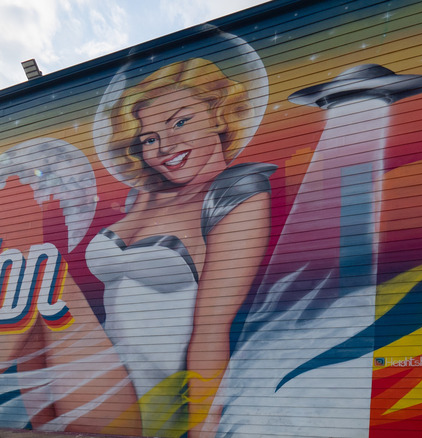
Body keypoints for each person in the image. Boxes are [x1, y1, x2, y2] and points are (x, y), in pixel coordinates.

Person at [88, 57, 275, 436]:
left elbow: (211, 329)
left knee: (41, 299)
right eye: (149, 138)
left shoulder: (235, 193)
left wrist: (201, 430)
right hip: (102, 372)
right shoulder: (144, 195)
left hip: (159, 391)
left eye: (180, 121)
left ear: (219, 115)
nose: (164, 147)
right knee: (39, 299)